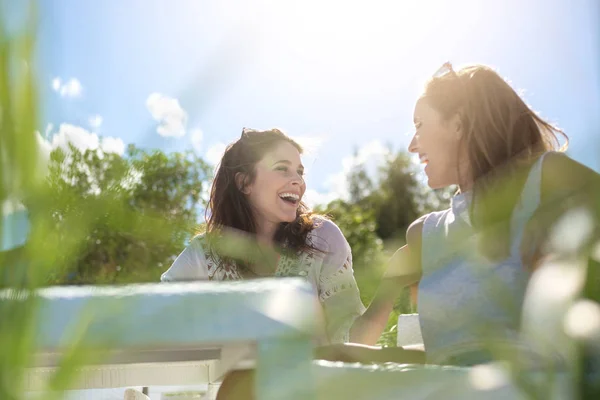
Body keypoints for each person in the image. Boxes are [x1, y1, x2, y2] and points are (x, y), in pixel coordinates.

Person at [379, 62, 600, 366]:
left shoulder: (548, 178)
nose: (412, 145)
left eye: (419, 125)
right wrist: (358, 356)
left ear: (458, 124)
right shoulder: (423, 235)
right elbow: (448, 355)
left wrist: (581, 226)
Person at [161, 127, 367, 345]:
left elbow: (349, 344)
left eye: (300, 171)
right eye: (282, 168)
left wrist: (389, 286)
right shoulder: (205, 253)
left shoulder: (322, 238)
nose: (298, 181)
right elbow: (154, 320)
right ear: (245, 183)